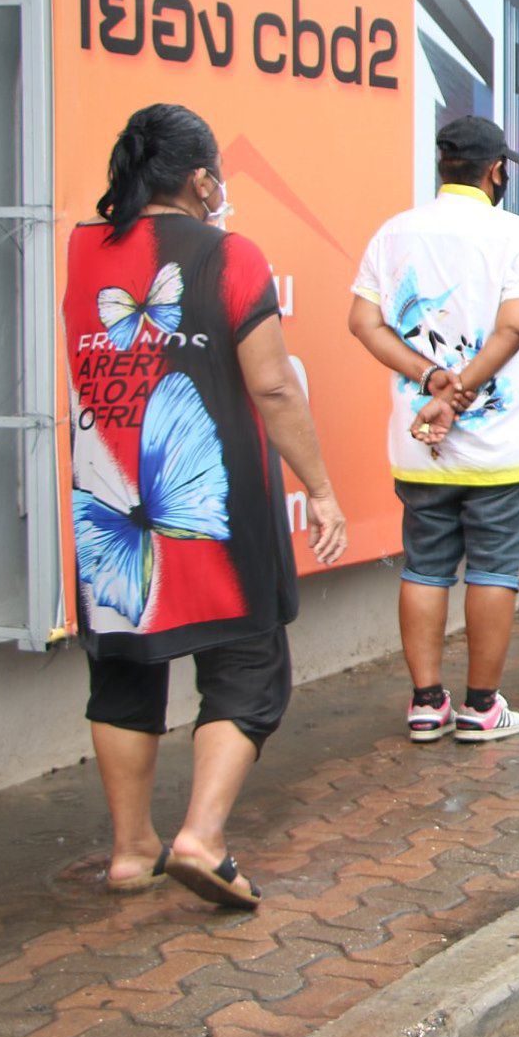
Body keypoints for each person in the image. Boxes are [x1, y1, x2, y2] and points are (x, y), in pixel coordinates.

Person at [66, 103, 348, 910]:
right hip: (209, 503)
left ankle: (131, 850)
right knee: (248, 667)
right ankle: (202, 836)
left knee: (124, 669)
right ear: (200, 179)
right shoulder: (229, 254)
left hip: (107, 498)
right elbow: (273, 384)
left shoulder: (83, 251)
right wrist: (320, 489)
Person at [350, 115, 519, 742]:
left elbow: (363, 322)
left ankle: (425, 703)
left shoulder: (394, 233)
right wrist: (463, 389)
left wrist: (432, 378)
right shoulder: (512, 232)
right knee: (493, 571)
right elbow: (514, 326)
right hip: (503, 446)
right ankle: (481, 707)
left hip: (424, 445)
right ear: (496, 171)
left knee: (424, 568)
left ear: (443, 166)